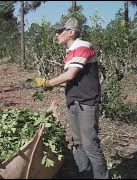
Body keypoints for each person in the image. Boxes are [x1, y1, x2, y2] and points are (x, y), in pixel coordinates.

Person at [34, 17, 109, 179]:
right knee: (78, 144)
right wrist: (54, 85)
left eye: (60, 31)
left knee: (90, 146)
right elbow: (75, 80)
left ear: (71, 32)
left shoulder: (83, 46)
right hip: (74, 102)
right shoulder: (71, 52)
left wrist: (48, 83)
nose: (57, 35)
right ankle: (83, 175)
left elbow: (70, 74)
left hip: (87, 103)